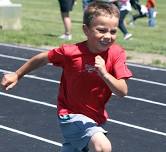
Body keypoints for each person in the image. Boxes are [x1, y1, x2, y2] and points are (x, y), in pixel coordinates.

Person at [1, 2, 132, 152]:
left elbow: (122, 91)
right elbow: (44, 58)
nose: (108, 36)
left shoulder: (117, 54)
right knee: (102, 147)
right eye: (101, 30)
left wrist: (104, 74)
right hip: (70, 116)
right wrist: (18, 74)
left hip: (96, 118)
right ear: (86, 30)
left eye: (113, 31)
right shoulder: (71, 52)